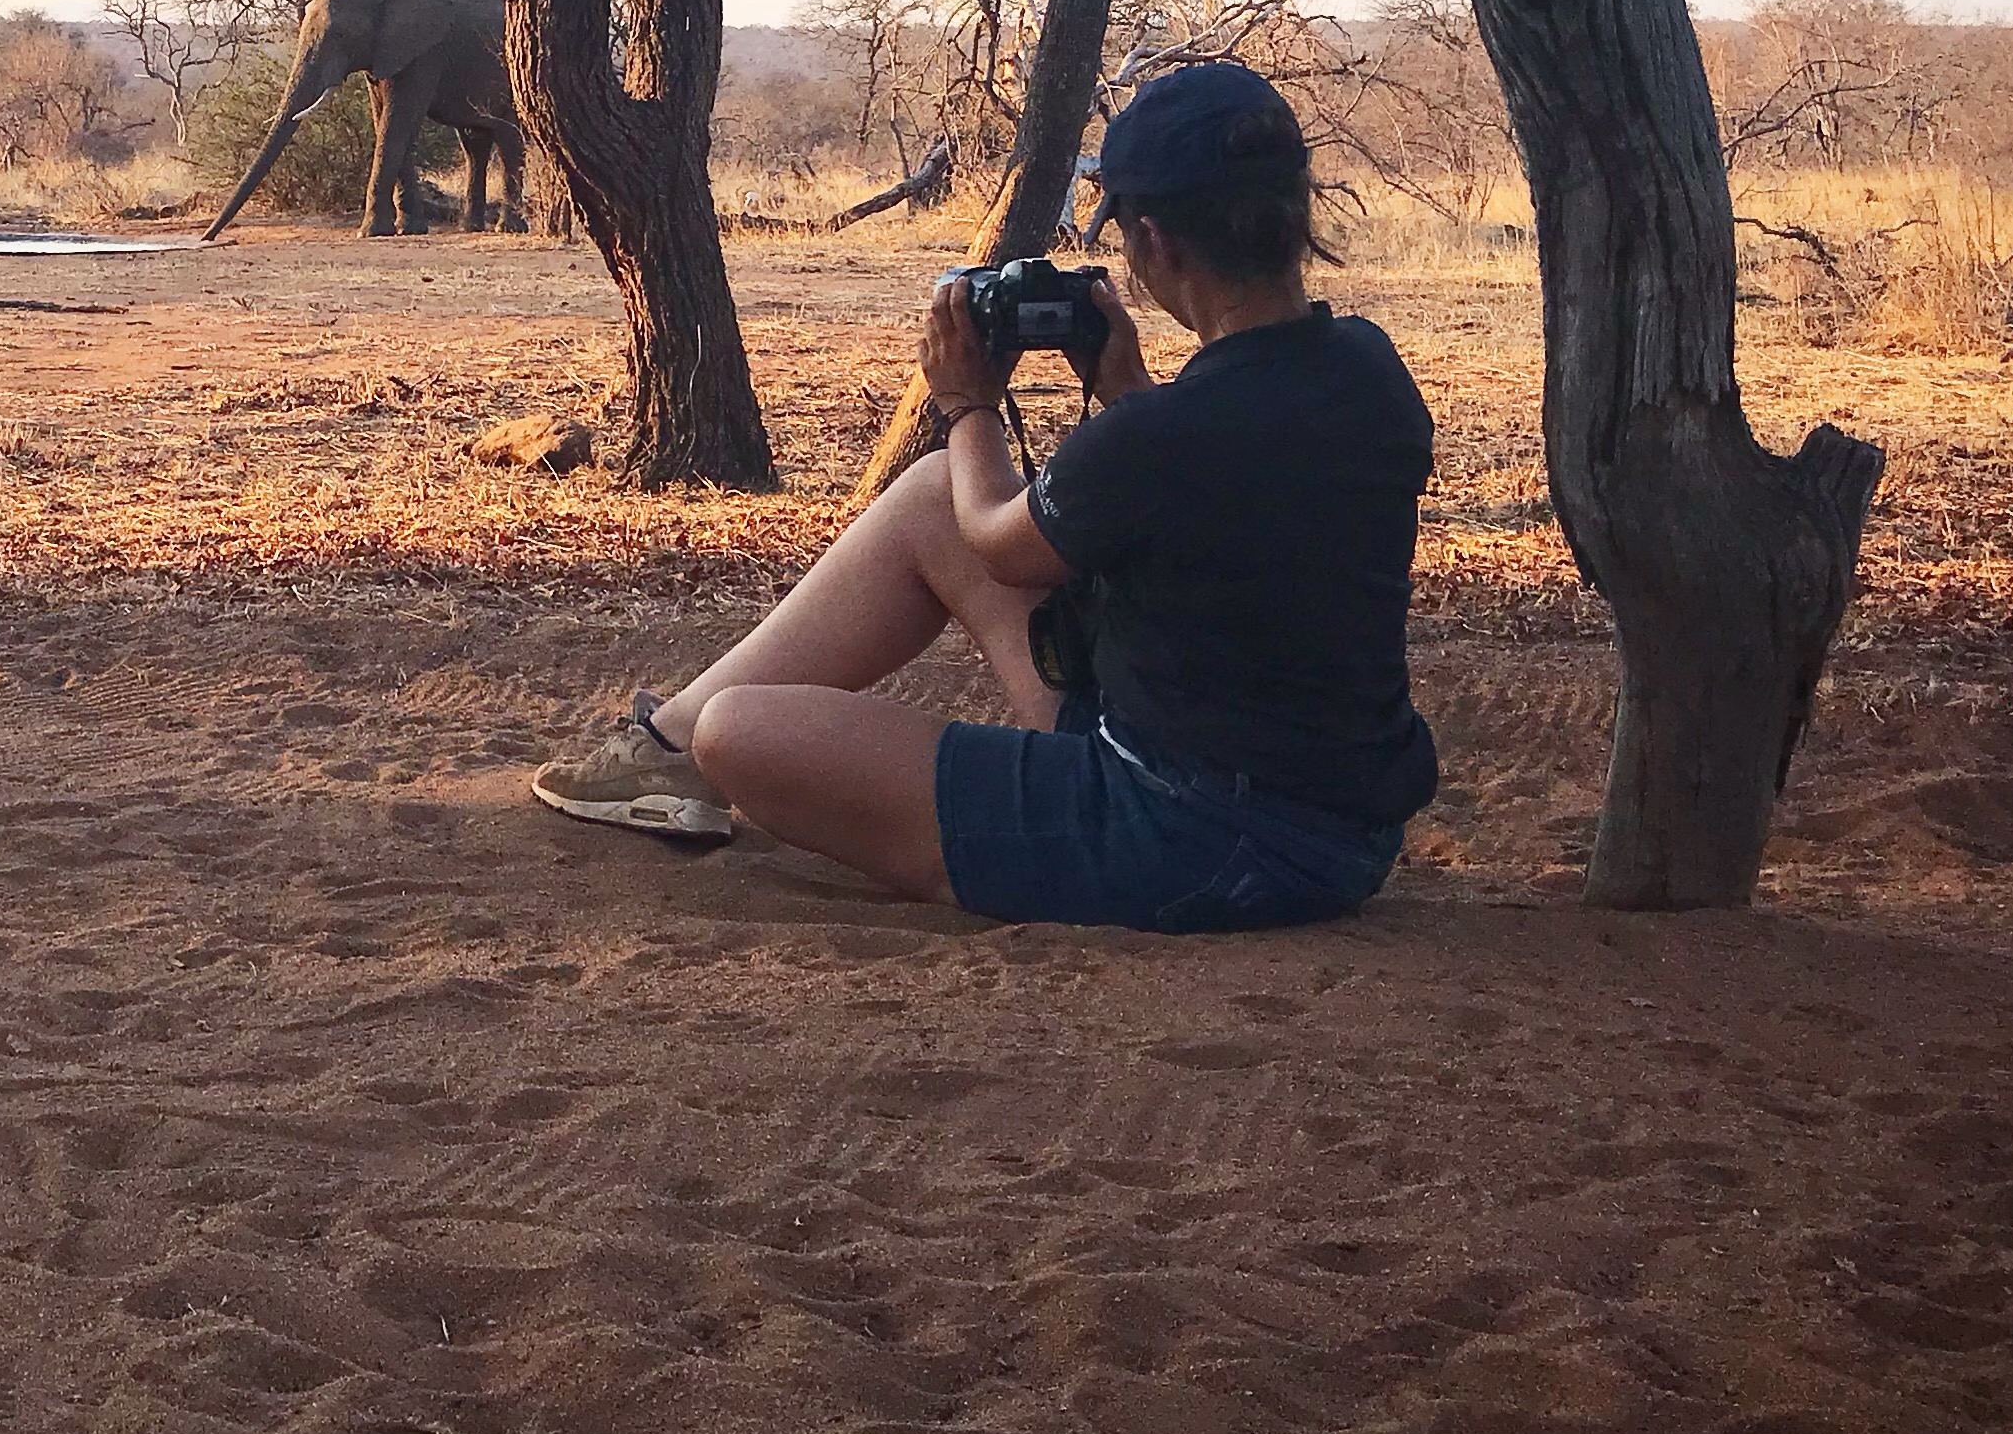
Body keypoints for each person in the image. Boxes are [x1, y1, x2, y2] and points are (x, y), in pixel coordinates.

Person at [531, 60, 1438, 931]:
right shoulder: (1369, 369)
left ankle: (692, 741)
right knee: (936, 498)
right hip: (1344, 827)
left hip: (1196, 836)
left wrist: (964, 403)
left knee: (744, 732)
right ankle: (662, 751)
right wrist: (1125, 388)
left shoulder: (1162, 437)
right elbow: (1227, 496)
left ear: (1155, 242)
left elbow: (1002, 546)